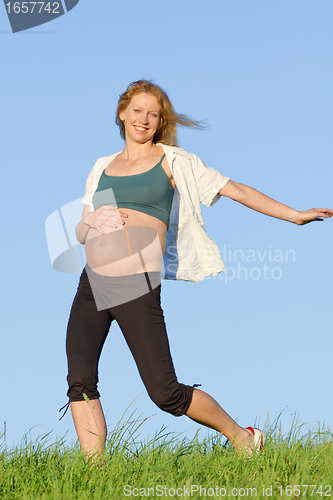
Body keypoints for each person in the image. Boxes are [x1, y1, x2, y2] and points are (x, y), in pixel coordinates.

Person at [64, 80, 332, 460]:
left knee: (166, 393)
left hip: (136, 283)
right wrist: (92, 222)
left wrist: (294, 215)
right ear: (122, 113)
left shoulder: (175, 161)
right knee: (80, 380)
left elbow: (234, 189)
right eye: (137, 111)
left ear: (160, 123)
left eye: (153, 115)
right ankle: (92, 473)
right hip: (92, 281)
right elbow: (79, 228)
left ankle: (243, 437)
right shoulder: (101, 167)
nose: (143, 119)